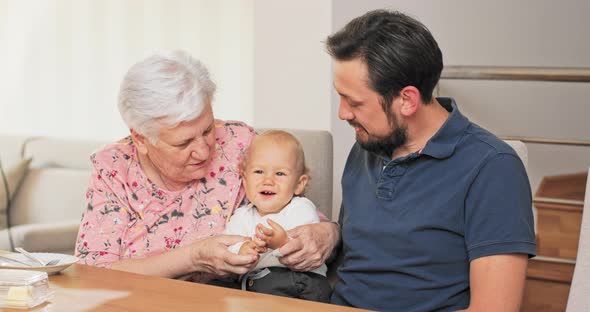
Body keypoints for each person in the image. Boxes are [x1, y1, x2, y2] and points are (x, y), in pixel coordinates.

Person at [326, 10, 536, 312]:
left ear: (408, 100)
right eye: (341, 97)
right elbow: (369, 251)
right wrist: (329, 233)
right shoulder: (369, 143)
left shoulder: (493, 167)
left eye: (355, 102)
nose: (343, 113)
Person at [74, 51, 340, 281]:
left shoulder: (239, 143)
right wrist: (192, 257)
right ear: (141, 139)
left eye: (208, 129)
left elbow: (299, 214)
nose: (203, 151)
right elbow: (92, 273)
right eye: (183, 143)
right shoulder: (114, 168)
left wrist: (329, 233)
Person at [220, 130, 331, 302]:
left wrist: (282, 242)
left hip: (299, 279)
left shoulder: (301, 207)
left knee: (273, 285)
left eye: (279, 174)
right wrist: (242, 249)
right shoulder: (242, 215)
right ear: (244, 180)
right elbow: (227, 246)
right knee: (217, 285)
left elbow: (306, 244)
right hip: (256, 283)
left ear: (299, 184)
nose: (268, 180)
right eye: (258, 172)